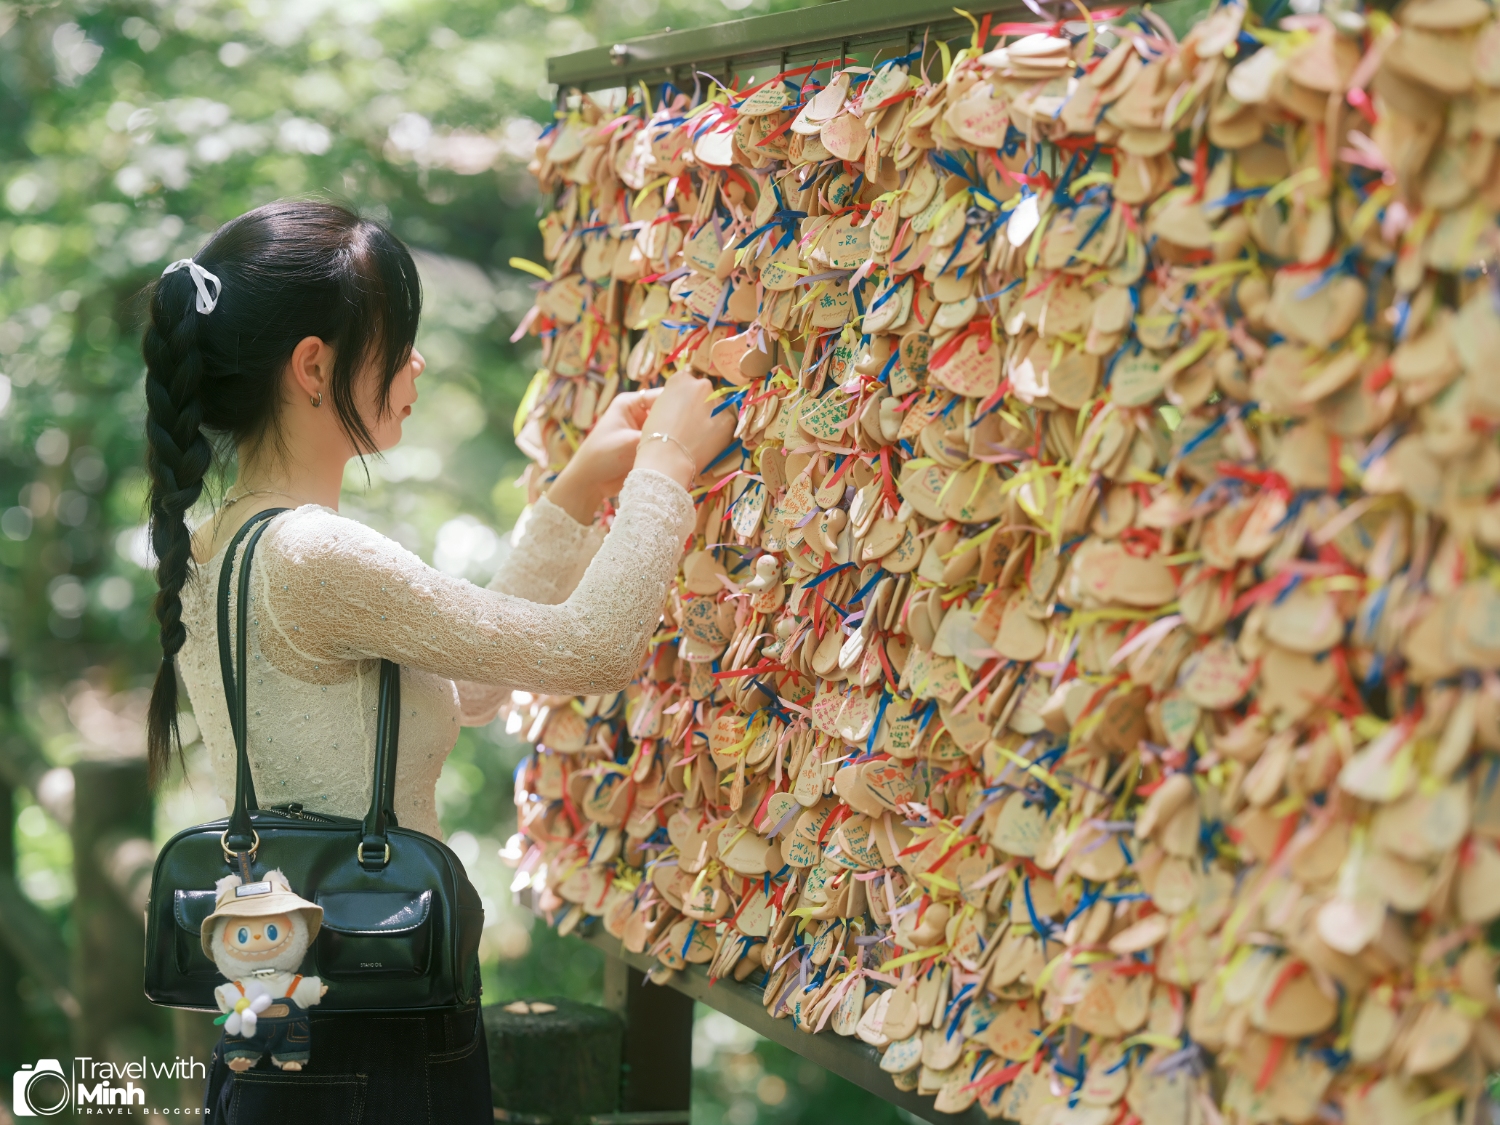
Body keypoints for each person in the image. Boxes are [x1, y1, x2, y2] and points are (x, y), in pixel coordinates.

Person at [140, 199, 733, 1123]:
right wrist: (668, 465)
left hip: (279, 1004)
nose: (417, 364)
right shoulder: (316, 556)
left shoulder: (214, 542)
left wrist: (577, 492)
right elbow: (597, 646)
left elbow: (466, 687)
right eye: (398, 341)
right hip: (373, 1026)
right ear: (314, 366)